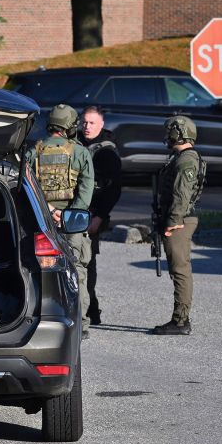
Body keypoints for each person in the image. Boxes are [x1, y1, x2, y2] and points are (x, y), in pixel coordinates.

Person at [26, 104, 94, 337]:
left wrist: (48, 212)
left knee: (41, 272)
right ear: (70, 126)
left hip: (41, 222)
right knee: (77, 273)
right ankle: (81, 324)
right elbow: (85, 193)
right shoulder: (80, 152)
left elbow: (24, 188)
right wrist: (67, 215)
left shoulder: (33, 151)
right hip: (72, 224)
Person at [151, 116, 206, 335]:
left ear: (178, 132)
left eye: (170, 131)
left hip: (180, 221)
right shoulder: (180, 157)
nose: (167, 136)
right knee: (178, 269)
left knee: (180, 270)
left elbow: (181, 194)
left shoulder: (186, 159)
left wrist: (173, 221)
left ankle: (181, 321)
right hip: (178, 219)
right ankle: (180, 319)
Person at [81, 106, 122, 325]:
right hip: (74, 212)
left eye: (92, 123)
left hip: (93, 215)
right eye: (84, 122)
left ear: (101, 124)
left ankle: (91, 310)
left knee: (88, 263)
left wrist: (99, 216)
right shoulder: (77, 143)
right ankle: (89, 308)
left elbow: (114, 189)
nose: (87, 127)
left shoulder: (106, 152)